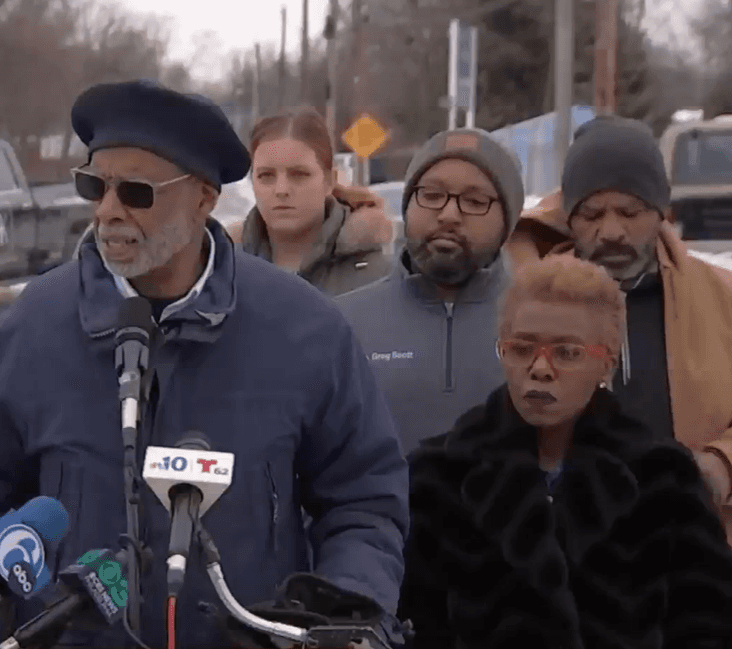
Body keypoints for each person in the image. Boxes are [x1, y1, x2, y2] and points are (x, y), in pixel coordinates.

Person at [0, 80, 408, 649]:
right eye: (94, 186)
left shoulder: (304, 329)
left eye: (136, 192)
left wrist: (351, 616)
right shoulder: (31, 328)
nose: (107, 211)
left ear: (204, 198)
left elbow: (363, 498)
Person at [376, 255, 732, 649]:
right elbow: (410, 645)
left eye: (567, 352)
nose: (540, 369)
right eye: (522, 348)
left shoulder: (663, 478)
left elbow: (705, 643)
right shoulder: (438, 475)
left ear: (607, 362)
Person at [505, 115, 732, 545]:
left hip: (694, 558)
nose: (611, 232)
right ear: (568, 217)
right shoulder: (527, 301)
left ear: (662, 211)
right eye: (590, 213)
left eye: (630, 212)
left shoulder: (723, 300)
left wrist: (721, 463)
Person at [336, 128, 526, 455]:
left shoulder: (541, 322)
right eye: (432, 195)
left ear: (507, 222)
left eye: (475, 201)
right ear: (408, 205)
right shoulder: (343, 323)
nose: (449, 215)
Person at [227, 106, 394, 295]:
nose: (282, 190)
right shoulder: (222, 270)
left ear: (329, 181)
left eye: (299, 174)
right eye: (266, 175)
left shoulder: (377, 276)